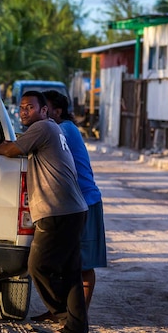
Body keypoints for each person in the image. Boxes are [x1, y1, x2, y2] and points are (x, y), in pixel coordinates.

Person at [0, 91, 89, 333]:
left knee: (37, 266)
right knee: (70, 270)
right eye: (22, 107)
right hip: (73, 209)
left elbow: (11, 150)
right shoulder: (50, 129)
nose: (24, 111)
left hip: (57, 210)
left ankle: (63, 314)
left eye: (30, 107)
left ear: (44, 111)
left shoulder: (43, 127)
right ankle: (76, 327)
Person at [43, 90, 107, 311]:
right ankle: (68, 313)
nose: (42, 112)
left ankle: (79, 315)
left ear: (57, 111)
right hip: (74, 203)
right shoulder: (62, 129)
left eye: (45, 108)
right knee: (69, 261)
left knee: (83, 264)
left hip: (86, 202)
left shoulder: (63, 130)